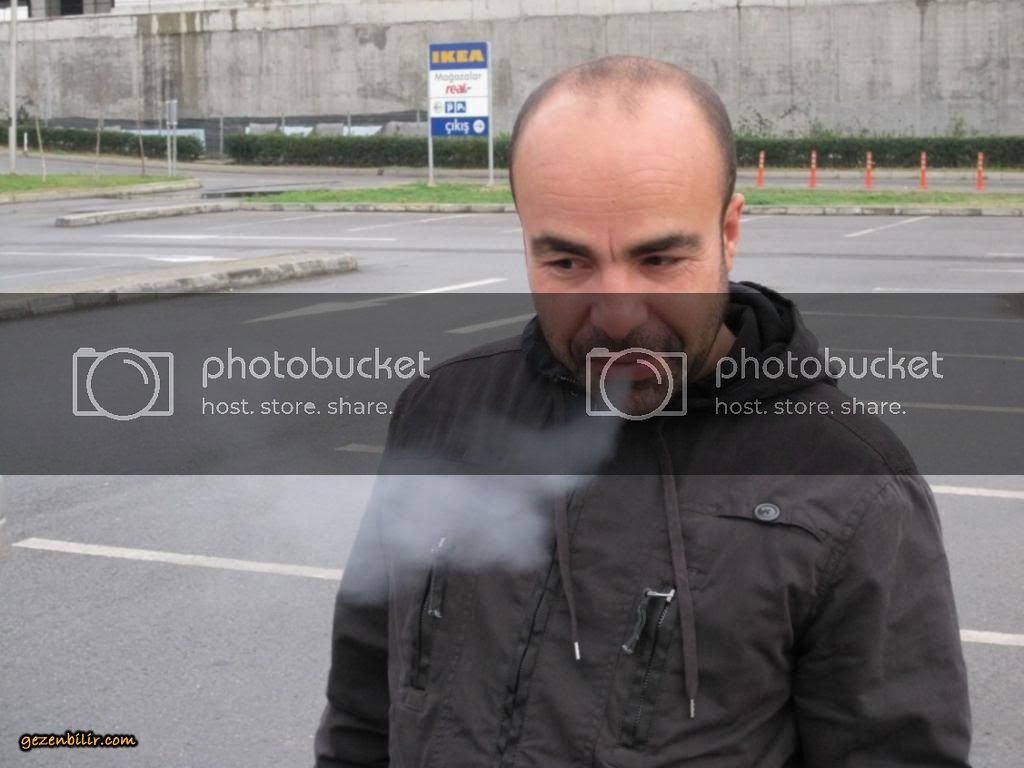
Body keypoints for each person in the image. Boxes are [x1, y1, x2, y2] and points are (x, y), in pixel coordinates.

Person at [315, 56, 971, 767]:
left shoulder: (851, 482)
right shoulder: (443, 410)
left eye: (659, 261)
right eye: (567, 264)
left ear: (728, 233)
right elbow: (363, 706)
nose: (618, 316)